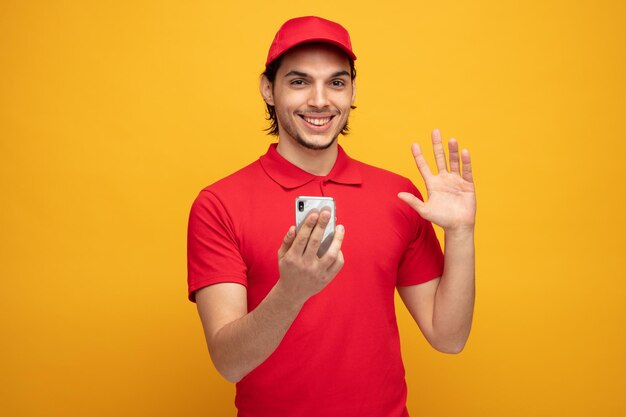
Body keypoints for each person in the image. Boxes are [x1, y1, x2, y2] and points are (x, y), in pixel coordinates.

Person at [187, 16, 476, 417]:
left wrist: (461, 233)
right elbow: (229, 362)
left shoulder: (398, 196)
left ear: (352, 90)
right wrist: (292, 292)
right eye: (299, 81)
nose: (320, 100)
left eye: (336, 83)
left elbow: (449, 337)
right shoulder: (219, 204)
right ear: (268, 89)